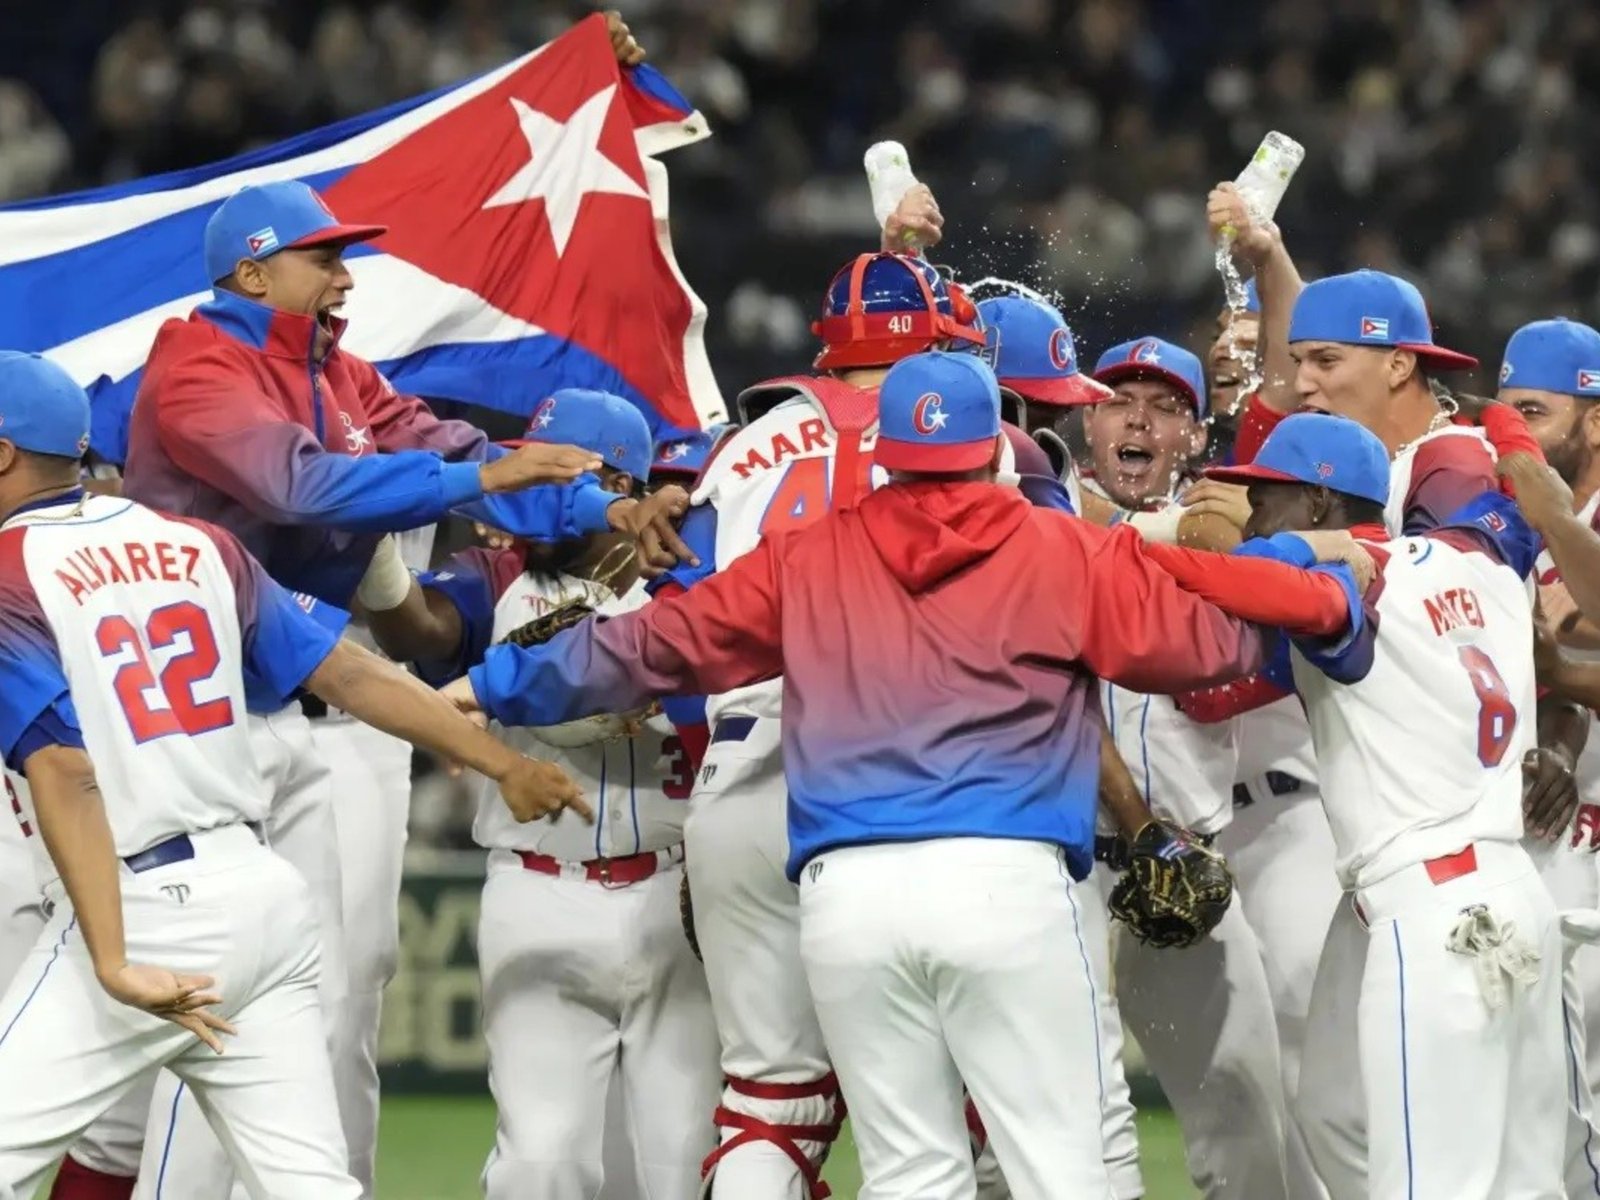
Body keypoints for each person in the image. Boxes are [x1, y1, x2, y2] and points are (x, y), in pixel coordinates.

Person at [439, 349, 1284, 1199]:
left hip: (850, 898)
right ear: (994, 447)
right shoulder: (1058, 548)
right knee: (1063, 1169)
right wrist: (1320, 593)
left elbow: (657, 645)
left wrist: (491, 683)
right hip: (1006, 883)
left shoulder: (810, 554)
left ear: (881, 451)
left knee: (910, 1174)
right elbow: (1208, 649)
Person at [116, 171, 693, 1199]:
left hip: (315, 705)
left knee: (330, 1000)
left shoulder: (343, 375)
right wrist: (484, 482)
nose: (346, 274)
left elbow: (448, 444)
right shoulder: (197, 367)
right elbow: (295, 483)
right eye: (324, 257)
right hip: (203, 722)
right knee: (221, 996)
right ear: (254, 269)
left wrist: (594, 514)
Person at [0, 352, 584, 1200]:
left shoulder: (10, 575)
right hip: (261, 898)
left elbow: (62, 767)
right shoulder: (197, 544)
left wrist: (116, 959)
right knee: (311, 1184)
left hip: (142, 900)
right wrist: (506, 763)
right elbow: (348, 673)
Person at [1166, 412, 1566, 1199]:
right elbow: (1514, 511)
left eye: (1270, 499)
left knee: (1429, 1184)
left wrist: (1299, 549)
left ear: (1318, 506)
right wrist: (1515, 441)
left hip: (1433, 915)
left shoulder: (1353, 583)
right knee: (1350, 1118)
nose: (1256, 515)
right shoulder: (1483, 550)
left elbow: (1224, 573)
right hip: (1513, 891)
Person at [362, 389, 720, 1199]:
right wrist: (373, 544)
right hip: (537, 887)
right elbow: (419, 630)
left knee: (680, 1164)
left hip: (677, 894)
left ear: (624, 491)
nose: (531, 498)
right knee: (541, 1163)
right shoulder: (495, 574)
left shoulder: (691, 583)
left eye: (560, 478)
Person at [1079, 330, 1330, 1200]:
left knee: (1247, 1127)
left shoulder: (1227, 522)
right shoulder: (1035, 510)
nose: (1139, 419)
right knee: (1059, 1127)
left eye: (1166, 407)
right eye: (1120, 401)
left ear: (1195, 434)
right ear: (1087, 419)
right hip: (1060, 868)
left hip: (1188, 864)